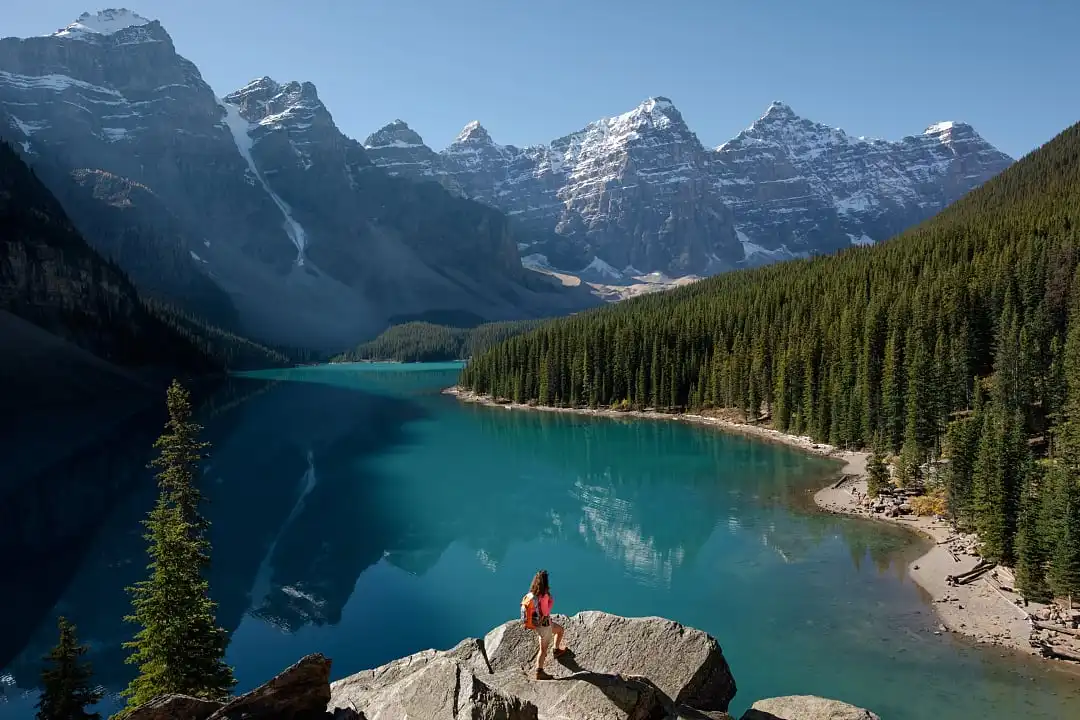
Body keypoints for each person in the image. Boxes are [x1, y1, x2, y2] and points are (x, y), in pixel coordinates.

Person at [522, 569, 568, 680]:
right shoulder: (544, 596)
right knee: (543, 650)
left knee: (560, 630)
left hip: (538, 625)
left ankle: (556, 650)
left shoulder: (531, 594)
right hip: (544, 625)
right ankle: (539, 671)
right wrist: (550, 601)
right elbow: (546, 612)